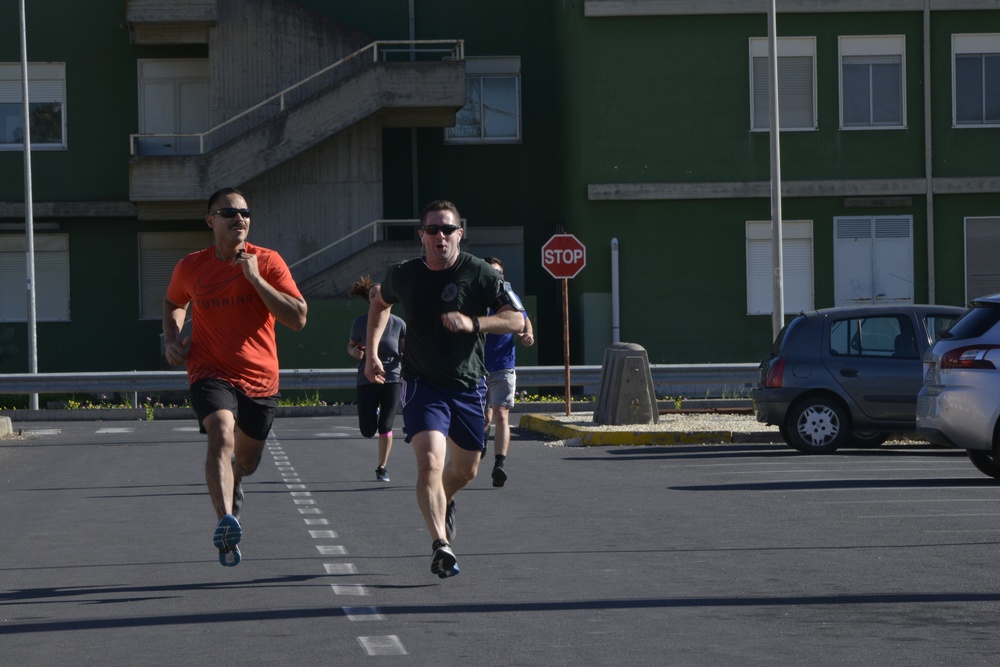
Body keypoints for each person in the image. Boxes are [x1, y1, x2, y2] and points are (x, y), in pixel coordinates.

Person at [364, 200, 525, 579]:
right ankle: (441, 544)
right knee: (429, 462)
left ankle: (445, 498)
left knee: (466, 470)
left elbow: (516, 319)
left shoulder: (480, 272)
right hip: (422, 383)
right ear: (421, 235)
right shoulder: (403, 274)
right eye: (433, 230)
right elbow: (380, 305)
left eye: (448, 229)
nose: (441, 236)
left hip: (468, 385)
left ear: (460, 234)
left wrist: (475, 323)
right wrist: (371, 354)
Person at [162, 187, 308, 567]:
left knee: (246, 460)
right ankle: (225, 522)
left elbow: (298, 318)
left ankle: (236, 481)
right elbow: (174, 301)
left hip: (260, 378)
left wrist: (256, 279)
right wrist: (172, 338)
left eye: (244, 212)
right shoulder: (191, 267)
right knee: (221, 433)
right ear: (210, 221)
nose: (238, 218)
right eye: (228, 212)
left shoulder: (268, 261)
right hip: (209, 369)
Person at [481, 257, 534, 487]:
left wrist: (528, 334)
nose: (497, 276)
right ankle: (482, 438)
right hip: (477, 367)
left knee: (501, 414)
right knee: (484, 417)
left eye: (499, 273)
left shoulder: (510, 297)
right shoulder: (476, 298)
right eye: (492, 272)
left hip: (504, 364)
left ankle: (499, 465)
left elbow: (524, 319)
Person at [348, 276, 406, 482]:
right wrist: (354, 352)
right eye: (372, 295)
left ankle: (382, 467)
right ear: (368, 300)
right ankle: (375, 412)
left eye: (380, 295)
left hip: (392, 379)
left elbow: (406, 352)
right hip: (367, 379)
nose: (376, 298)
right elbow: (350, 346)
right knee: (367, 430)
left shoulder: (399, 324)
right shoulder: (360, 323)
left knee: (386, 427)